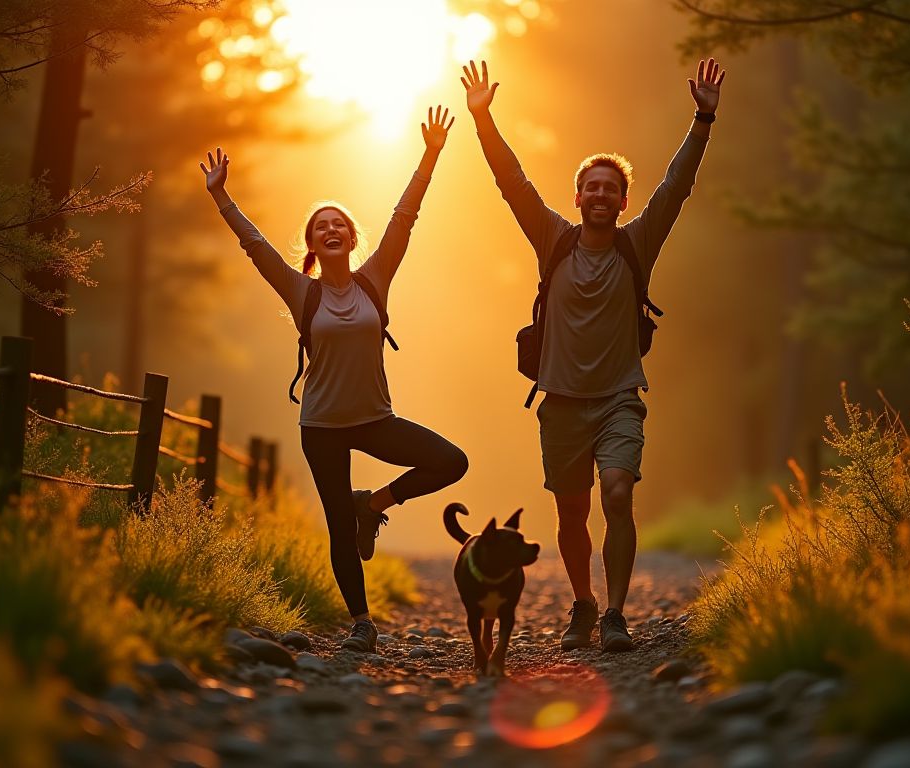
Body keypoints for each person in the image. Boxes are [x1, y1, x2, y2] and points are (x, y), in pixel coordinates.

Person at [461, 59, 724, 652]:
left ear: (623, 200)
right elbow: (512, 182)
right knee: (573, 514)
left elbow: (676, 187)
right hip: (559, 403)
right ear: (578, 197)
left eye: (612, 188)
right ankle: (582, 604)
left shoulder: (638, 243)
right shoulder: (553, 240)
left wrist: (702, 119)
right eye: (592, 187)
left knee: (618, 494)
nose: (601, 194)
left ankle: (615, 614)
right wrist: (483, 118)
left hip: (618, 401)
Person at [200, 105, 468, 653]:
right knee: (336, 527)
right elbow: (255, 246)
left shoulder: (374, 280)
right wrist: (221, 197)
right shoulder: (303, 293)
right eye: (321, 227)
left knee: (450, 462)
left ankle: (373, 505)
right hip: (321, 425)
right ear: (313, 244)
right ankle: (361, 623)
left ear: (350, 237)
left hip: (374, 418)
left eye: (339, 224)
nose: (331, 230)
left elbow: (404, 218)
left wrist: (431, 153)